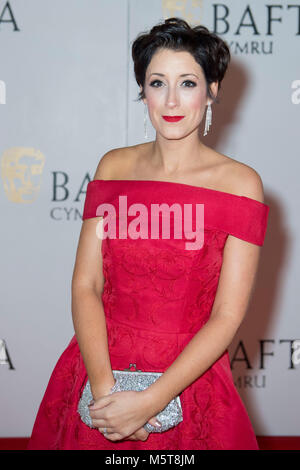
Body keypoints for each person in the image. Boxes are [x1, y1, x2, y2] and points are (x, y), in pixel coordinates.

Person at [27, 17, 269, 450]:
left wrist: (150, 403)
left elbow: (227, 316)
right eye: (158, 83)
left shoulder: (240, 184)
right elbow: (86, 284)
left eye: (188, 83)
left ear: (212, 89)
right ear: (143, 91)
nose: (172, 100)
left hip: (188, 382)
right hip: (99, 370)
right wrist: (105, 394)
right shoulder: (113, 168)